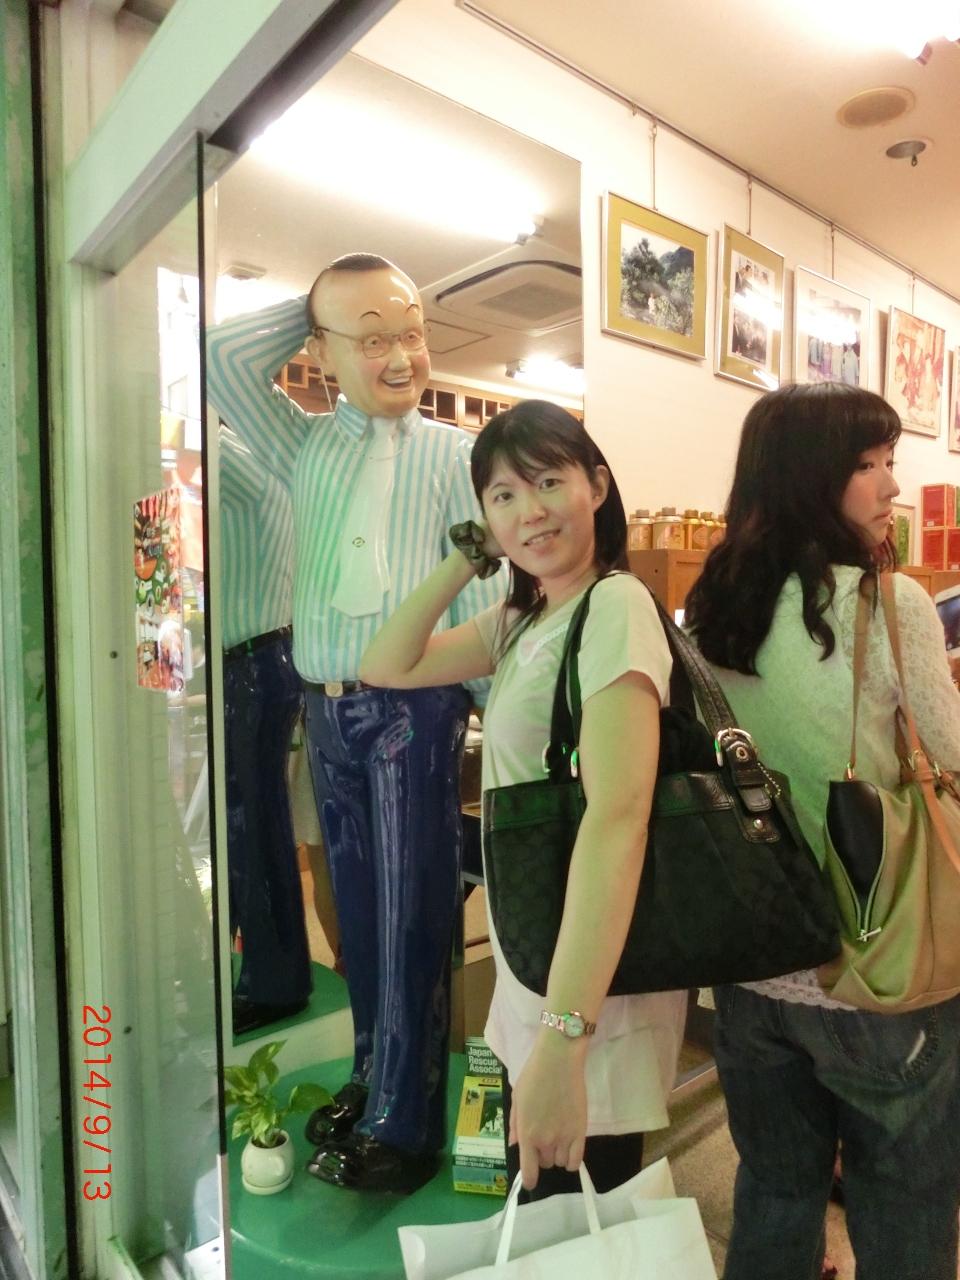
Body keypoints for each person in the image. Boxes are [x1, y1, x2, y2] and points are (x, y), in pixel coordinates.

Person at [206, 254, 501, 1193]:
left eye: (410, 331)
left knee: (413, 912)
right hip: (326, 706)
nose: (400, 356)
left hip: (416, 708)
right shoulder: (300, 444)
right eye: (371, 340)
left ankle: (407, 1124)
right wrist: (315, 305)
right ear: (323, 351)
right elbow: (221, 357)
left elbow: (487, 584)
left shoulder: (457, 456)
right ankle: (374, 1079)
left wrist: (491, 703)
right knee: (360, 911)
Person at [361, 400, 686, 1197]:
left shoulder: (614, 608)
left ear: (596, 487)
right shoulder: (528, 617)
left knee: (571, 1222)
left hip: (587, 997)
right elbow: (387, 663)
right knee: (542, 1216)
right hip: (535, 969)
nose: (529, 510)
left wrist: (564, 1044)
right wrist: (470, 556)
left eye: (547, 482)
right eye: (503, 495)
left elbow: (618, 820)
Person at [684, 381, 960, 1280]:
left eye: (890, 462)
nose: (892, 487)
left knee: (773, 1189)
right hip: (875, 962)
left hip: (751, 962)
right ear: (807, 477)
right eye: (866, 465)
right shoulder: (888, 603)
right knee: (905, 1199)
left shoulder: (712, 606)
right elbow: (951, 753)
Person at [219, 426, 311, 1034]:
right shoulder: (268, 462)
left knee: (252, 826)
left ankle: (275, 980)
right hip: (262, 660)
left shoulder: (231, 454)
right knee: (251, 824)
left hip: (252, 663)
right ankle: (268, 972)